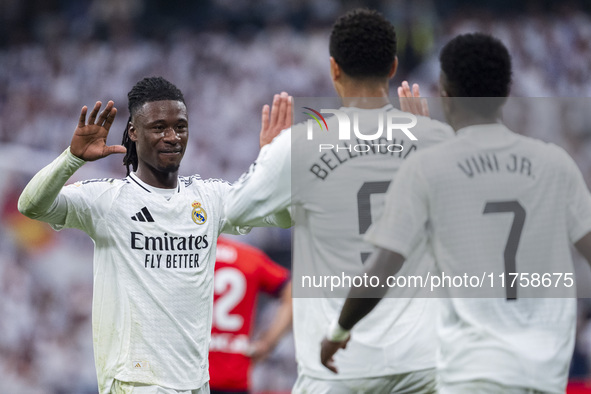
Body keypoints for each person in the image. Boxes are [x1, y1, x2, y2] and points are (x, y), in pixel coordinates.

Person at [320, 33, 591, 393]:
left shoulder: (428, 168)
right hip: (544, 375)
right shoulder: (555, 163)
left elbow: (382, 269)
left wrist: (338, 331)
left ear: (443, 92)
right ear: (506, 91)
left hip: (472, 373)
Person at [225, 8, 454, 393]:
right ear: (393, 66)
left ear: (333, 69)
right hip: (422, 364)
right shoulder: (439, 141)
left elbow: (235, 214)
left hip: (338, 372)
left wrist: (270, 157)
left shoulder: (297, 146)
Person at [17, 76, 291, 394]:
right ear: (133, 131)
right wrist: (72, 159)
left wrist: (274, 165)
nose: (172, 137)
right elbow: (31, 205)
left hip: (196, 382)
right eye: (159, 127)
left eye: (181, 126)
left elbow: (282, 217)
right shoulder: (107, 200)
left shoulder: (210, 198)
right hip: (137, 381)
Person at [209, 236, 292, 394]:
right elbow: (292, 292)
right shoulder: (248, 257)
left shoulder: (184, 257)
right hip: (233, 377)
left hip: (186, 375)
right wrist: (267, 343)